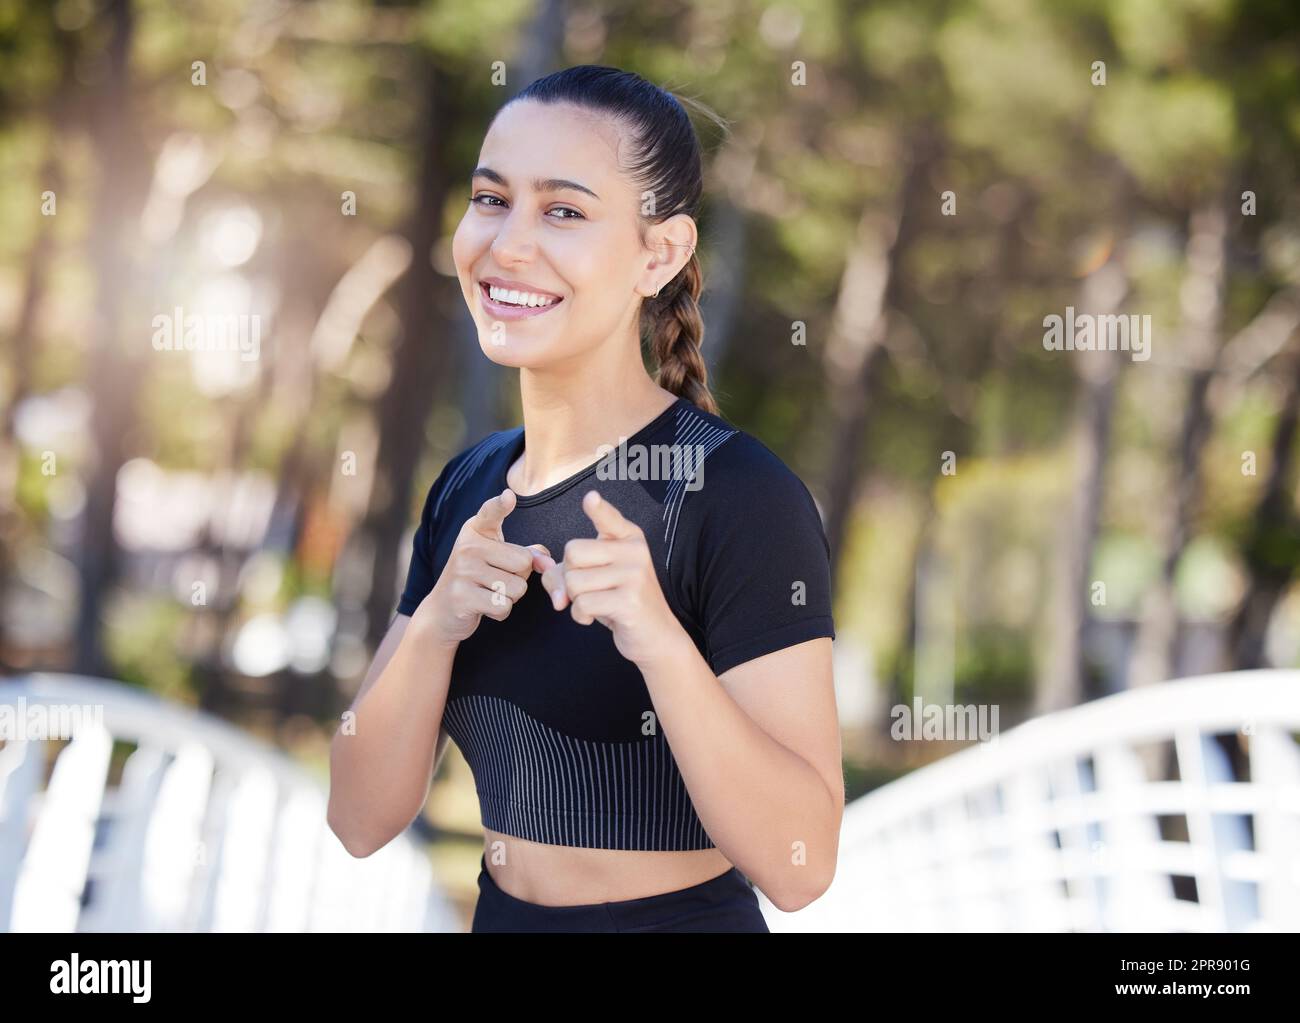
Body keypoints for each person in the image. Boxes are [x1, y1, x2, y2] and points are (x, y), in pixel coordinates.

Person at [328, 65, 842, 933]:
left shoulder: (738, 496)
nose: (509, 244)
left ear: (660, 254)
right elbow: (357, 817)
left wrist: (661, 643)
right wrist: (434, 626)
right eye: (491, 199)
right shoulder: (469, 489)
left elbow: (803, 866)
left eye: (563, 211)